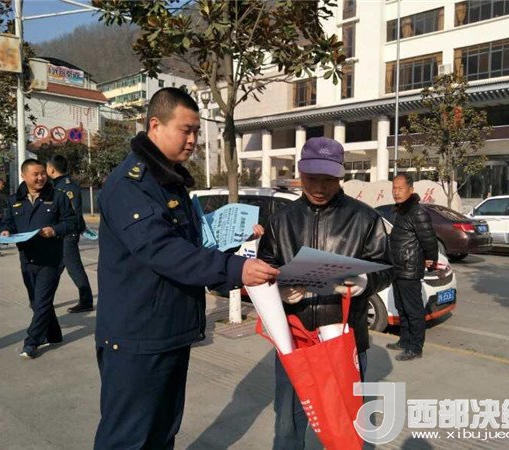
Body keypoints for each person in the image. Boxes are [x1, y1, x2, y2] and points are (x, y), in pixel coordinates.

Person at [94, 87, 279, 449]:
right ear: (155, 125)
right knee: (128, 439)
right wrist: (235, 268)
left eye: (196, 131)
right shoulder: (130, 185)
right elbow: (163, 250)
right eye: (186, 130)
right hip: (138, 337)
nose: (193, 140)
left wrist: (232, 241)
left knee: (163, 433)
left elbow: (192, 246)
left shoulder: (169, 182)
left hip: (170, 330)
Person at [257, 137, 393, 450]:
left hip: (345, 338)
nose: (319, 188)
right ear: (300, 173)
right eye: (311, 179)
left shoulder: (365, 218)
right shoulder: (280, 220)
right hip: (294, 339)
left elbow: (387, 268)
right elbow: (264, 269)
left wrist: (364, 282)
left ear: (340, 176)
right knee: (288, 425)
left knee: (345, 422)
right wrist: (278, 290)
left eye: (328, 180)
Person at [0, 159, 77, 359]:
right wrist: (6, 231)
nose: (41, 177)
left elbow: (72, 222)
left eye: (43, 173)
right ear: (24, 176)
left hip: (51, 258)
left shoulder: (58, 197)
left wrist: (55, 230)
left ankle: (32, 342)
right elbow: (8, 222)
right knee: (36, 302)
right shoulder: (13, 200)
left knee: (42, 302)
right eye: (36, 174)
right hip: (27, 258)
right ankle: (54, 334)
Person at [386, 174, 438, 361]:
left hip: (410, 269)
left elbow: (429, 240)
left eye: (400, 188)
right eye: (394, 188)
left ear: (411, 190)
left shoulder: (417, 212)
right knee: (401, 308)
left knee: (413, 310)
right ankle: (405, 341)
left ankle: (415, 347)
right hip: (398, 267)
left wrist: (431, 259)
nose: (396, 192)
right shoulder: (401, 211)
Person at [46, 155, 94, 313]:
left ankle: (86, 301)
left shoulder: (66, 187)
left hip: (67, 233)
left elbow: (74, 212)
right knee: (54, 268)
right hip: (59, 233)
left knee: (74, 268)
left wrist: (78, 228)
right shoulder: (58, 185)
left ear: (51, 169)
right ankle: (44, 300)